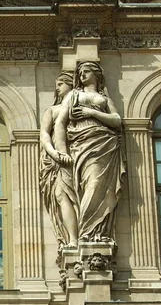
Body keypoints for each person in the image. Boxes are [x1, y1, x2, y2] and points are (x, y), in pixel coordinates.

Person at [59, 61, 125, 243]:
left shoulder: (104, 98)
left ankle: (94, 231)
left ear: (96, 74)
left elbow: (117, 121)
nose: (82, 75)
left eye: (86, 71)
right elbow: (60, 123)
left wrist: (92, 112)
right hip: (81, 143)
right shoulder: (73, 95)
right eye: (80, 72)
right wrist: (62, 151)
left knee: (98, 185)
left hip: (104, 143)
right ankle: (85, 232)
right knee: (90, 183)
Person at [39, 72, 78, 251]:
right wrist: (54, 153)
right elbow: (45, 134)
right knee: (62, 196)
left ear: (71, 85)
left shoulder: (78, 107)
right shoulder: (52, 111)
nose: (57, 87)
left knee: (78, 197)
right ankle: (73, 239)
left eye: (61, 83)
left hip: (78, 157)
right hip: (58, 161)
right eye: (57, 84)